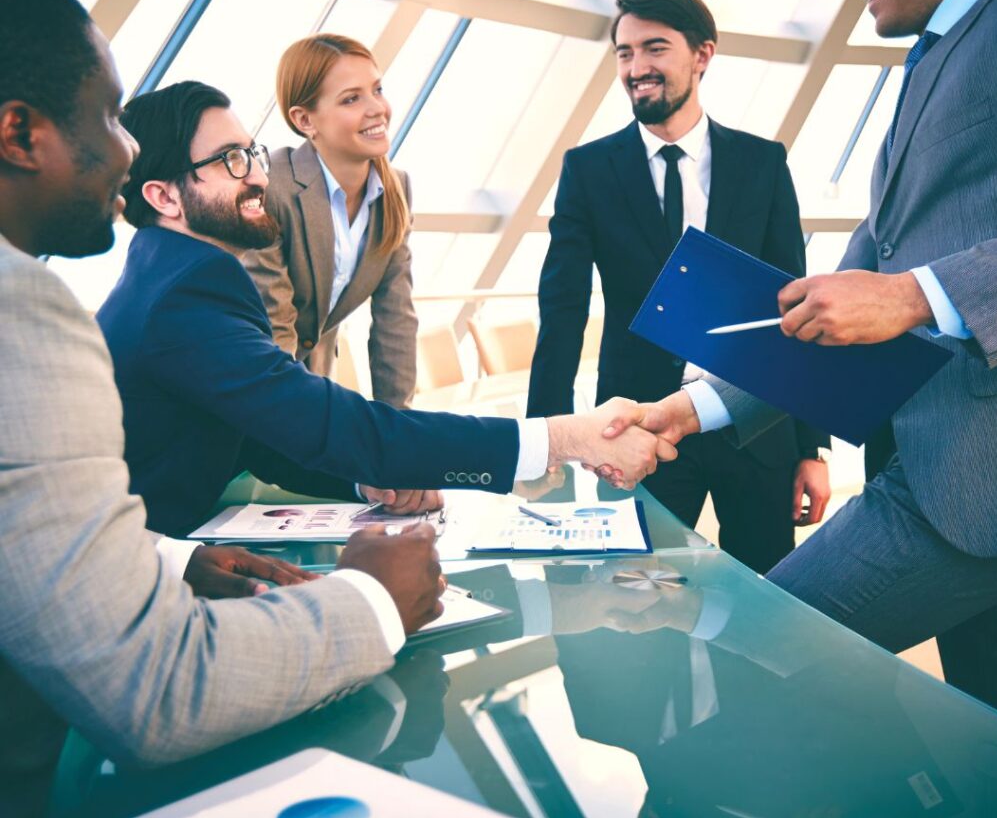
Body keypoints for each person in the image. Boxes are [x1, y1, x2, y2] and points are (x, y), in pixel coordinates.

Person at [0, 0, 448, 817]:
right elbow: (156, 690)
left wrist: (173, 560)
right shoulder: (24, 310)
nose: (125, 148)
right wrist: (371, 598)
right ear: (20, 133)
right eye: (104, 115)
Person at [610, 0, 997, 720]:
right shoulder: (927, 69)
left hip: (971, 488)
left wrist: (914, 295)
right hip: (954, 487)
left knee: (756, 650)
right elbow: (823, 314)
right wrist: (686, 410)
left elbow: (894, 296)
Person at [97, 80, 675, 536]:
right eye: (229, 160)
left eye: (251, 152)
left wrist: (367, 483)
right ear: (164, 196)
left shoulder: (173, 274)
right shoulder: (188, 292)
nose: (257, 175)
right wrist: (564, 437)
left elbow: (262, 436)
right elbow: (326, 422)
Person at [527, 0, 830, 573]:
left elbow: (793, 305)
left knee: (766, 615)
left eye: (654, 49)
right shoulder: (587, 170)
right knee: (631, 602)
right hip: (636, 427)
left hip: (754, 423)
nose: (636, 68)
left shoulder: (761, 163)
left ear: (702, 55)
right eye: (624, 53)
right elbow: (561, 308)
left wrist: (809, 446)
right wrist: (549, 440)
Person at [244, 35, 416, 404]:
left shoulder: (395, 189)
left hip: (314, 382)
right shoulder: (272, 186)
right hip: (253, 389)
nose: (377, 109)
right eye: (351, 98)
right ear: (305, 119)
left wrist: (399, 429)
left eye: (377, 89)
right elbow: (275, 328)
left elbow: (395, 322)